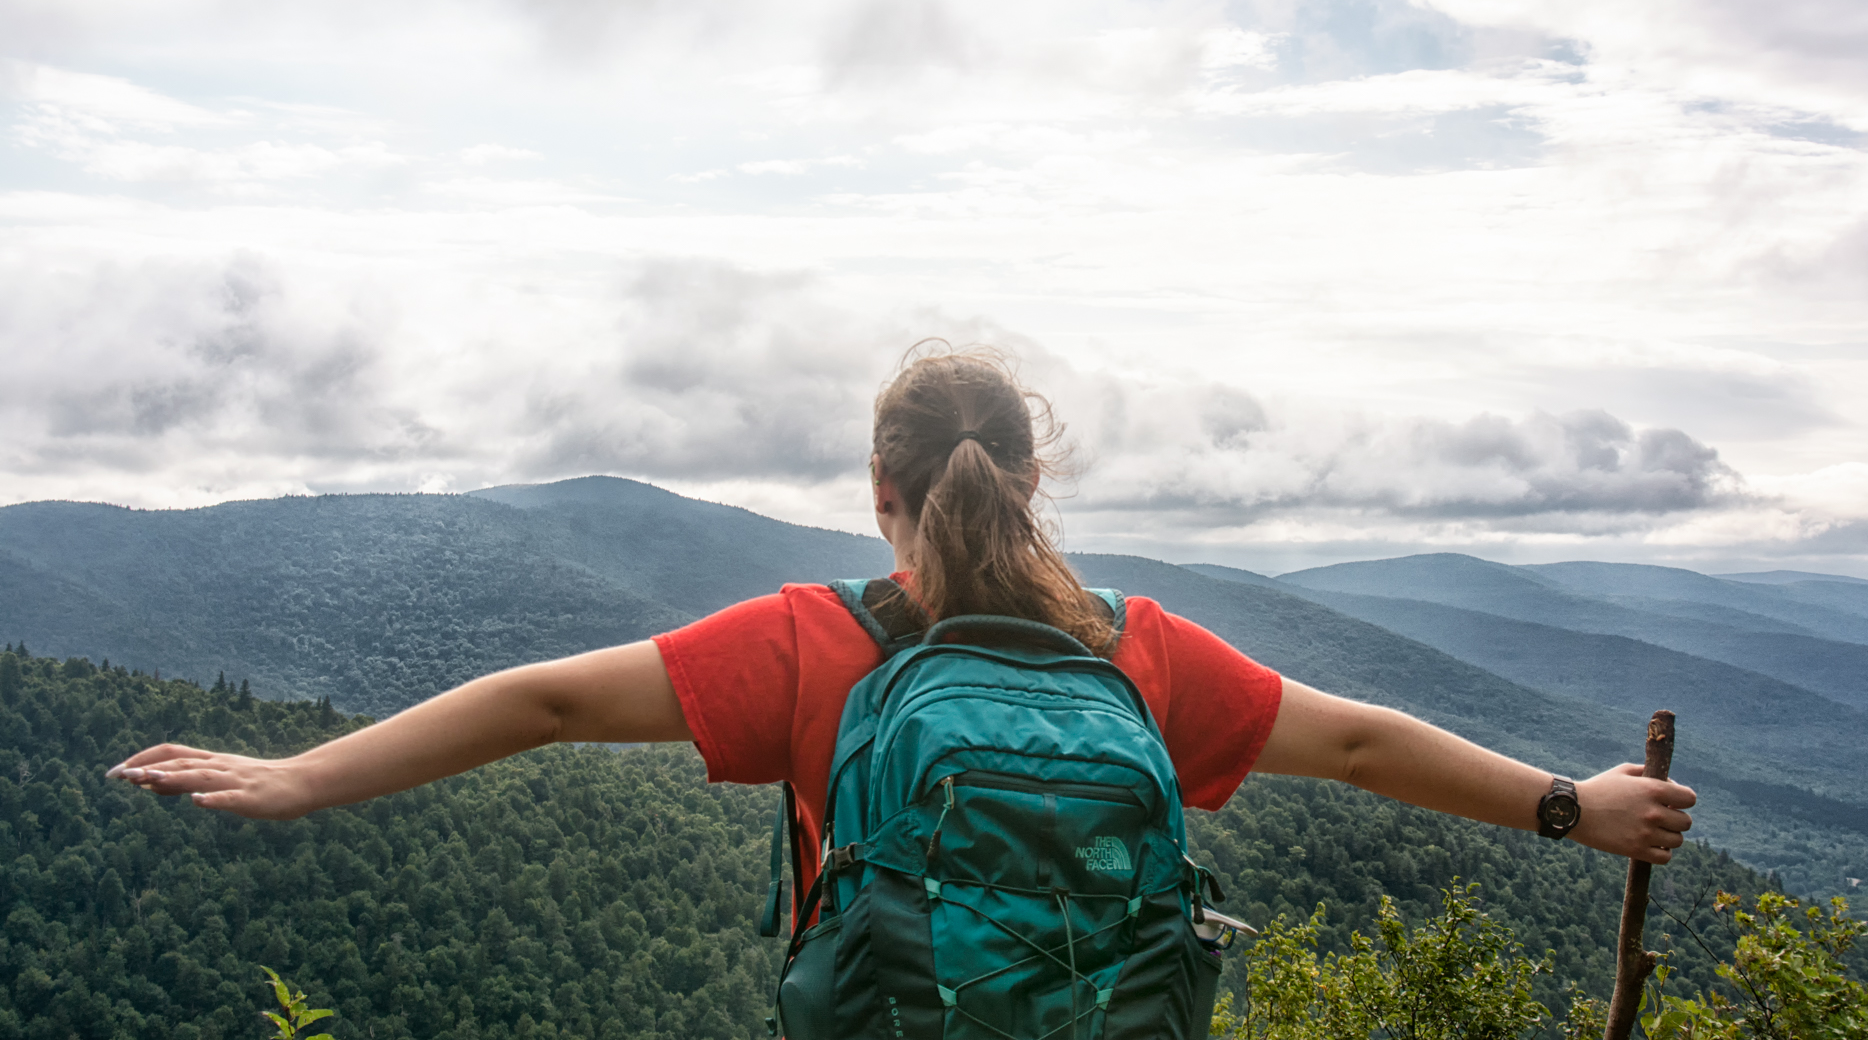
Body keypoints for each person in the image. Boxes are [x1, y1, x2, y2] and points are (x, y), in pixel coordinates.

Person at [110, 346, 1696, 891]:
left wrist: (304, 772)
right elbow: (1352, 741)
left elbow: (543, 703)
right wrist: (1570, 803)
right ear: (1034, 483)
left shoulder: (813, 643)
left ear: (881, 488)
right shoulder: (1137, 653)